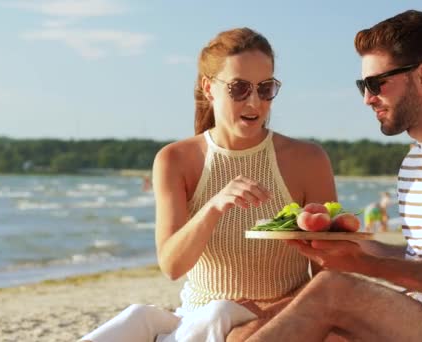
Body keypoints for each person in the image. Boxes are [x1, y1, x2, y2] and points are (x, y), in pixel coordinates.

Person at [246, 10, 422, 342]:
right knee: (255, 323)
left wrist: (361, 265)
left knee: (332, 290)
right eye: (362, 85)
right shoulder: (417, 159)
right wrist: (350, 248)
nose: (368, 98)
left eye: (376, 83)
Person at [80, 27, 337, 342]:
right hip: (197, 322)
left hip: (280, 322)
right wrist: (214, 206)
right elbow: (172, 266)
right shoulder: (175, 159)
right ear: (208, 88)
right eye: (239, 88)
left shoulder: (307, 160)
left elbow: (330, 276)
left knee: (214, 315)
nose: (255, 101)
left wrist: (279, 314)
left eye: (265, 88)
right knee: (138, 317)